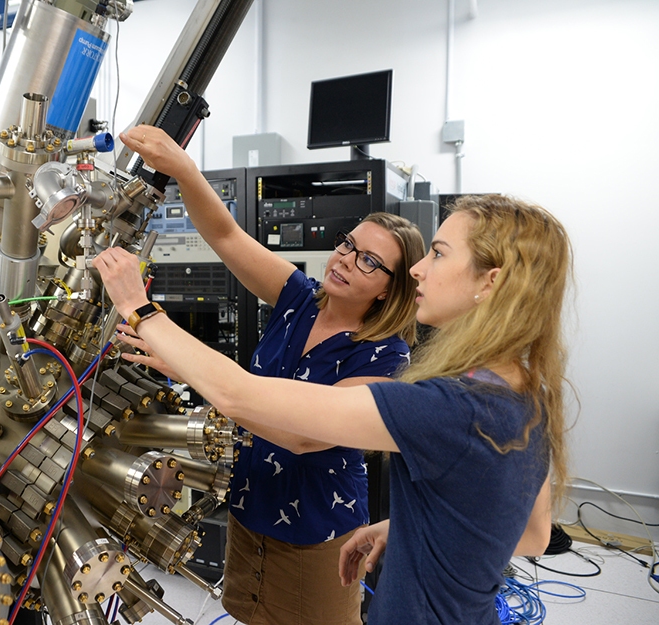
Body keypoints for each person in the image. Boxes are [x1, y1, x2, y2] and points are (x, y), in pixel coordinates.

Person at [93, 193, 570, 625]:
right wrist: (410, 529)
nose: (420, 269)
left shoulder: (442, 404)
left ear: (491, 282)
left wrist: (140, 307)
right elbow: (532, 534)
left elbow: (250, 402)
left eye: (439, 254)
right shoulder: (525, 395)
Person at [114, 125, 424, 624]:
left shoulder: (385, 360)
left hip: (316, 534)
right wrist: (184, 171)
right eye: (349, 245)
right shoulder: (299, 297)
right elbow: (224, 235)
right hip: (251, 508)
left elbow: (302, 435)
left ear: (390, 289)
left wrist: (188, 363)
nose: (345, 260)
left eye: (369, 262)